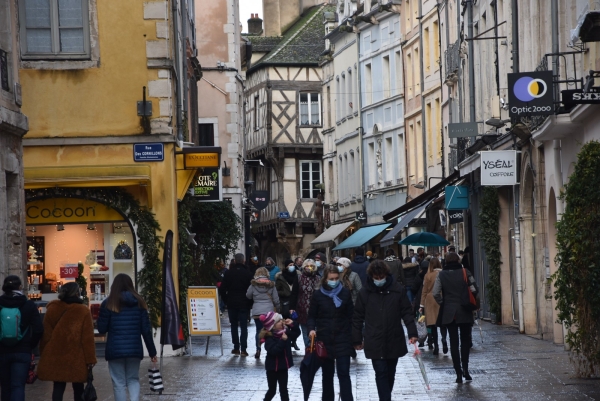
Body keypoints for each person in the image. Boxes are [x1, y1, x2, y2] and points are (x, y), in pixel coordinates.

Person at [352, 261, 418, 401]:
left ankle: (385, 396)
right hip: (374, 337)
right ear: (371, 276)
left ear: (386, 275)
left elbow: (406, 312)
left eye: (381, 276)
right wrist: (357, 339)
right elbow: (357, 316)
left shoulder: (397, 290)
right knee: (380, 371)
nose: (379, 280)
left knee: (390, 372)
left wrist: (412, 333)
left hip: (393, 337)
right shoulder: (365, 292)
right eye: (376, 277)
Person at [97, 274, 157, 401]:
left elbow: (101, 329)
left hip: (115, 349)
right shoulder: (140, 303)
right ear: (131, 285)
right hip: (134, 349)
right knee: (133, 379)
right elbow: (146, 330)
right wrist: (152, 352)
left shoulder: (108, 303)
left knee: (119, 382)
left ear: (114, 286)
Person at [38, 282, 96, 401]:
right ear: (76, 293)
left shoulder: (53, 309)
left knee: (58, 386)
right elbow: (87, 339)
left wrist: (44, 353)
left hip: (57, 354)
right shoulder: (82, 311)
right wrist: (90, 359)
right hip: (76, 355)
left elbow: (46, 335)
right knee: (78, 386)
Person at [307, 266, 354, 401]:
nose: (334, 281)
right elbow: (312, 316)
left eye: (336, 278)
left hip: (343, 338)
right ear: (325, 279)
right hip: (324, 339)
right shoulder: (318, 295)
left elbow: (351, 316)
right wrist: (311, 328)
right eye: (331, 279)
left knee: (344, 374)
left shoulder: (345, 293)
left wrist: (355, 336)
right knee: (327, 375)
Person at [432, 252, 479, 383]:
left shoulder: (441, 274)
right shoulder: (465, 271)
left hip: (449, 312)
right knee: (465, 341)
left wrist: (444, 303)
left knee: (453, 342)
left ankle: (458, 373)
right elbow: (475, 288)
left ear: (445, 261)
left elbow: (435, 293)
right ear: (458, 260)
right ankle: (466, 369)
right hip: (464, 310)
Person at [0, 275, 43, 401]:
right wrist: (31, 345)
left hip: (2, 351)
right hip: (22, 350)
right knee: (18, 386)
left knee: (5, 386)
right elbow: (38, 329)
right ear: (20, 287)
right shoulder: (28, 305)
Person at [259, 312, 300, 401]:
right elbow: (274, 351)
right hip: (272, 368)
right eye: (278, 321)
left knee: (284, 390)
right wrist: (282, 340)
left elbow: (297, 333)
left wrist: (293, 324)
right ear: (272, 326)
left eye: (281, 320)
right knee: (272, 390)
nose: (281, 322)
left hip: (283, 366)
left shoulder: (286, 332)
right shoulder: (269, 337)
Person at [220, 253, 253, 356]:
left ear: (234, 261)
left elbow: (222, 288)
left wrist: (226, 300)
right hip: (244, 302)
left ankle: (236, 347)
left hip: (232, 302)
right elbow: (251, 289)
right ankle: (243, 349)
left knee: (233, 325)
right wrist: (250, 302)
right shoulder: (247, 273)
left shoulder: (229, 273)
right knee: (243, 326)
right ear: (243, 261)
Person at [247, 267, 280, 358]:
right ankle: (271, 349)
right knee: (270, 331)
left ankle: (258, 349)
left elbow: (248, 296)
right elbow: (276, 299)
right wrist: (278, 309)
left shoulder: (253, 285)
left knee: (258, 330)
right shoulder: (271, 285)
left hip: (257, 311)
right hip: (269, 312)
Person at [418, 258, 448, 355]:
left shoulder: (428, 275)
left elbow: (424, 291)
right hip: (441, 298)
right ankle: (444, 339)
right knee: (443, 323)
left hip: (430, 300)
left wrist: (421, 305)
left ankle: (436, 346)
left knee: (433, 325)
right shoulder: (443, 273)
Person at [296, 259, 320, 347]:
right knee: (306, 333)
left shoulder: (318, 278)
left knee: (316, 332)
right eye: (307, 266)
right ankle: (308, 350)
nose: (309, 268)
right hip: (302, 308)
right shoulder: (299, 278)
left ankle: (316, 350)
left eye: (311, 266)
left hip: (316, 309)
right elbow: (295, 293)